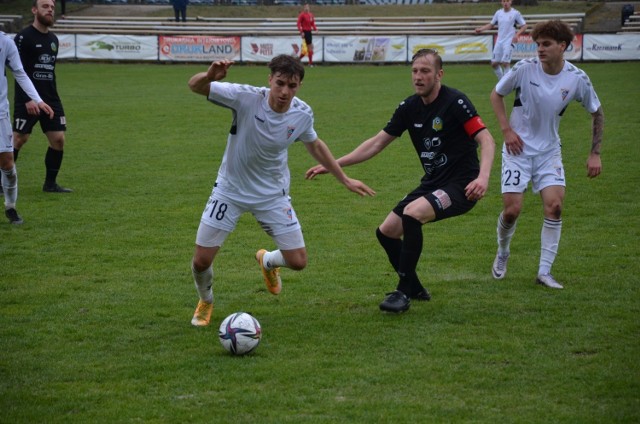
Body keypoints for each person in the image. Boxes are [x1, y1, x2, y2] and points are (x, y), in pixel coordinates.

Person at [187, 54, 375, 326]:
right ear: (269, 80)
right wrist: (209, 77)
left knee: (298, 261)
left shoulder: (302, 113)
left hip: (272, 195)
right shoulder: (245, 97)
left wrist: (344, 178)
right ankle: (206, 300)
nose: (285, 91)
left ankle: (268, 262)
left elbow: (315, 145)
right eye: (280, 83)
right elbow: (194, 86)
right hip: (230, 190)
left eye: (292, 85)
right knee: (201, 260)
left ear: (298, 86)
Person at [306, 49, 496, 313]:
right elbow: (375, 144)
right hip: (433, 182)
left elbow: (486, 139)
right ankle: (416, 287)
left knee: (412, 213)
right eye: (415, 71)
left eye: (425, 71)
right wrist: (333, 164)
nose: (418, 77)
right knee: (387, 232)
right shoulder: (409, 107)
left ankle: (403, 291)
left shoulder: (456, 102)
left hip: (461, 186)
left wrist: (482, 178)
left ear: (439, 74)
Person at [489, 20, 604, 289]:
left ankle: (544, 272)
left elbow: (597, 111)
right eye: (538, 43)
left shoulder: (577, 78)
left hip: (549, 151)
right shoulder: (524, 69)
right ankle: (503, 252)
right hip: (517, 150)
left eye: (546, 44)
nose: (539, 49)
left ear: (562, 46)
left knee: (555, 207)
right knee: (512, 211)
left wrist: (595, 153)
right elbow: (496, 95)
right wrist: (506, 130)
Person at [12, 0, 72, 193]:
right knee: (19, 139)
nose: (50, 10)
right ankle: (2, 182)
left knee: (58, 139)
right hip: (28, 98)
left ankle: (50, 184)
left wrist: (53, 98)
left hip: (51, 97)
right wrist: (27, 98)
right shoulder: (23, 37)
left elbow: (49, 71)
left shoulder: (53, 39)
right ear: (34, 10)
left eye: (52, 8)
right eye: (45, 6)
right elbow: (17, 70)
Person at [1, 32, 54, 224]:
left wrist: (38, 100)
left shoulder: (5, 42)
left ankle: (10, 207)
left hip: (0, 113)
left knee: (7, 163)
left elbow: (20, 73)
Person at [475, 0, 527, 80]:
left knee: (505, 62)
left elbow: (524, 26)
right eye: (503, 1)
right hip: (500, 40)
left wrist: (517, 35)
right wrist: (481, 29)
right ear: (501, 2)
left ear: (511, 2)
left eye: (507, 1)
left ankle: (506, 83)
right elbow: (491, 25)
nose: (505, 3)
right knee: (494, 64)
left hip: (509, 40)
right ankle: (502, 81)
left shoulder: (515, 13)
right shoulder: (498, 13)